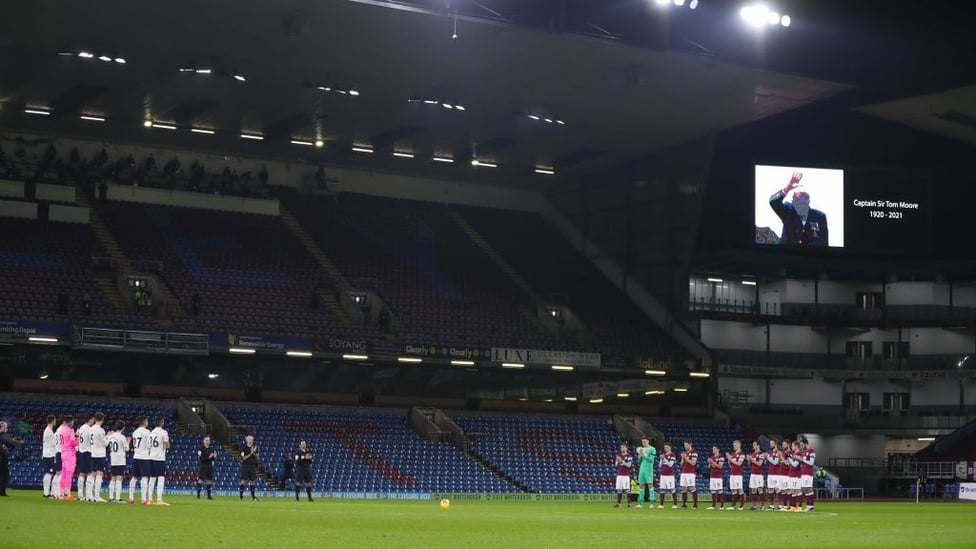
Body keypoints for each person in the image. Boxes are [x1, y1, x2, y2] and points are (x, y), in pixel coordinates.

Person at [769, 171, 828, 246]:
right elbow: (773, 202)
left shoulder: (819, 216)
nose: (799, 202)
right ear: (792, 201)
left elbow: (824, 242)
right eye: (795, 199)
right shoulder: (788, 210)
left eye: (802, 198)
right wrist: (787, 188)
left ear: (808, 200)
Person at [129, 416, 152, 504]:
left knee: (134, 477)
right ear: (144, 422)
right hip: (144, 457)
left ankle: (131, 498)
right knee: (145, 477)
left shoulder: (135, 432)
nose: (147, 422)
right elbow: (149, 445)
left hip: (136, 456)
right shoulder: (146, 432)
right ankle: (143, 499)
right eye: (147, 421)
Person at [148, 417, 170, 505]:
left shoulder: (151, 433)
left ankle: (149, 499)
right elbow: (167, 445)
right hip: (159, 457)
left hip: (151, 456)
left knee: (152, 478)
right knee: (161, 478)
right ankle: (159, 499)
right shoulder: (164, 432)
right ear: (162, 423)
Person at [106, 420, 129, 503]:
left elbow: (106, 444)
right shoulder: (122, 437)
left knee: (113, 478)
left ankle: (111, 497)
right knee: (119, 478)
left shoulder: (111, 436)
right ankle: (118, 498)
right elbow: (127, 449)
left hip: (113, 459)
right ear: (123, 428)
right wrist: (128, 442)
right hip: (120, 460)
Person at [57, 415, 79, 500]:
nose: (73, 423)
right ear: (68, 422)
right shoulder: (70, 431)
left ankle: (61, 493)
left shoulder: (61, 429)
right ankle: (68, 493)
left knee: (64, 474)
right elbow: (73, 443)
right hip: (70, 454)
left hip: (63, 453)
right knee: (69, 475)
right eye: (72, 421)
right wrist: (78, 437)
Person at [0, 420, 25, 496]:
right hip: (2, 458)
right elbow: (10, 442)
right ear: (3, 427)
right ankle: (2, 491)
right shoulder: (3, 434)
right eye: (6, 427)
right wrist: (18, 442)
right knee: (4, 475)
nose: (7, 428)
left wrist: (13, 440)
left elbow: (8, 442)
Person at [88, 412, 108, 502]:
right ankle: (97, 496)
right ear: (102, 420)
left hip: (92, 453)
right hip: (100, 454)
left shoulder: (90, 429)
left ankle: (89, 495)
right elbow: (105, 443)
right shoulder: (101, 430)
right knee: (99, 474)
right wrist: (108, 437)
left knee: (92, 474)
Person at [76, 412, 94, 501]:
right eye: (93, 419)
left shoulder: (81, 428)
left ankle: (80, 494)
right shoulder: (89, 429)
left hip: (81, 451)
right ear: (90, 419)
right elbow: (91, 441)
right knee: (90, 473)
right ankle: (88, 495)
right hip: (87, 452)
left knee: (82, 473)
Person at [634, 437, 656, 509]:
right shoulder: (642, 449)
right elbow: (639, 461)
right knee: (641, 485)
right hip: (642, 468)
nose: (643, 443)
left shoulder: (652, 449)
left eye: (645, 441)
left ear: (648, 441)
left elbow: (651, 460)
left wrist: (644, 454)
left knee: (650, 484)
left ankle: (652, 503)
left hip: (648, 468)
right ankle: (640, 503)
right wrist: (639, 454)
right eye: (642, 441)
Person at [41, 414, 59, 499]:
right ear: (52, 421)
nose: (55, 422)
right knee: (49, 473)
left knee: (49, 473)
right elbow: (53, 444)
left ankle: (47, 492)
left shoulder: (48, 430)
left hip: (47, 454)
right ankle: (46, 493)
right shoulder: (49, 431)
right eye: (55, 420)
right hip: (49, 455)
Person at [679, 439, 699, 509]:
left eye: (686, 445)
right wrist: (682, 458)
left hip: (690, 473)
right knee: (683, 488)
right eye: (684, 445)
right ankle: (684, 504)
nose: (685, 447)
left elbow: (693, 463)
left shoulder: (694, 452)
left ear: (690, 444)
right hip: (684, 472)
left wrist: (686, 458)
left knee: (692, 487)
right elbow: (681, 464)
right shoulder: (684, 453)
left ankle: (695, 504)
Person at [747, 440, 767, 511]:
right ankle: (754, 506)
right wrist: (749, 460)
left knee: (760, 489)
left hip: (759, 474)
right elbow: (750, 465)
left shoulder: (761, 454)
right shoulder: (752, 454)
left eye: (755, 444)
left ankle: (763, 506)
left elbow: (760, 464)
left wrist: (752, 460)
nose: (753, 446)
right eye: (753, 444)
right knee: (753, 490)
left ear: (758, 446)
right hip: (753, 474)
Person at [726, 439, 746, 510]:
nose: (734, 446)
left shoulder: (742, 454)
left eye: (735, 445)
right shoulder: (733, 454)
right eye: (733, 445)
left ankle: (742, 506)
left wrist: (730, 459)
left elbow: (739, 463)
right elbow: (731, 465)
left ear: (739, 445)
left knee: (740, 489)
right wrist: (729, 460)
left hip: (738, 474)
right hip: (732, 474)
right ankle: (733, 505)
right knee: (733, 490)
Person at [706, 445, 726, 510]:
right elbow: (709, 467)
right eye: (713, 449)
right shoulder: (712, 457)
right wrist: (709, 463)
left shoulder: (721, 457)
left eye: (714, 449)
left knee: (719, 490)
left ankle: (722, 506)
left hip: (718, 476)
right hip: (712, 476)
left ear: (718, 449)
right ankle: (713, 505)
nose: (713, 450)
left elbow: (720, 466)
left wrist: (712, 462)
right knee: (713, 491)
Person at [613, 443, 633, 508]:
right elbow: (616, 466)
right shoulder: (619, 455)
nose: (622, 448)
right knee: (619, 489)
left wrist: (622, 461)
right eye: (621, 447)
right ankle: (619, 504)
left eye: (623, 447)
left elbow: (629, 465)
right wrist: (617, 461)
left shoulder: (629, 456)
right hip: (619, 475)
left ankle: (629, 503)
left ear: (626, 448)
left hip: (625, 475)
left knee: (627, 489)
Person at [240, 435, 259, 501]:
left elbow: (258, 458)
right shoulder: (243, 448)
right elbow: (243, 458)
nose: (251, 441)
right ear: (247, 440)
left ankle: (253, 496)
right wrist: (250, 453)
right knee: (243, 481)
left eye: (252, 440)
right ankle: (241, 496)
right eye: (250, 439)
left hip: (253, 466)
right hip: (245, 465)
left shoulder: (255, 448)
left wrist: (254, 453)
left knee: (252, 481)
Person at [658, 442, 677, 508]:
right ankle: (661, 504)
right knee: (662, 489)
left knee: (672, 489)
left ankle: (675, 504)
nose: (665, 448)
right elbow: (660, 466)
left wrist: (664, 458)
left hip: (670, 475)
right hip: (663, 475)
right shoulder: (663, 455)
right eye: (664, 447)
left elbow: (670, 464)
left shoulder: (672, 455)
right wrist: (661, 459)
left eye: (667, 447)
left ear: (670, 447)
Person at [799, 438, 817, 511]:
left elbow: (811, 463)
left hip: (808, 473)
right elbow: (804, 463)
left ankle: (810, 506)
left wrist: (802, 459)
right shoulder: (804, 452)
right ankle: (809, 506)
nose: (801, 446)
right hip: (803, 473)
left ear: (806, 444)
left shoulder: (812, 451)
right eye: (800, 445)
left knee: (808, 489)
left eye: (802, 445)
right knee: (805, 489)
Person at [197, 435, 217, 500]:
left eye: (209, 440)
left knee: (209, 481)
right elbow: (202, 459)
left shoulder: (212, 449)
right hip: (203, 466)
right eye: (206, 440)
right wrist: (209, 457)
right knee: (200, 480)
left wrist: (214, 457)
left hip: (209, 466)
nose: (208, 441)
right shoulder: (201, 450)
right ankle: (198, 495)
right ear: (203, 441)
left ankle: (209, 496)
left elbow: (213, 460)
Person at [786, 441, 803, 512]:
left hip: (796, 474)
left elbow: (795, 464)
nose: (791, 447)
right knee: (792, 491)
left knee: (797, 490)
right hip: (791, 474)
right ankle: (793, 506)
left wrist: (789, 458)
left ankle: (800, 507)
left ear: (796, 446)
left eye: (792, 446)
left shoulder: (799, 454)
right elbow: (790, 464)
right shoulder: (793, 454)